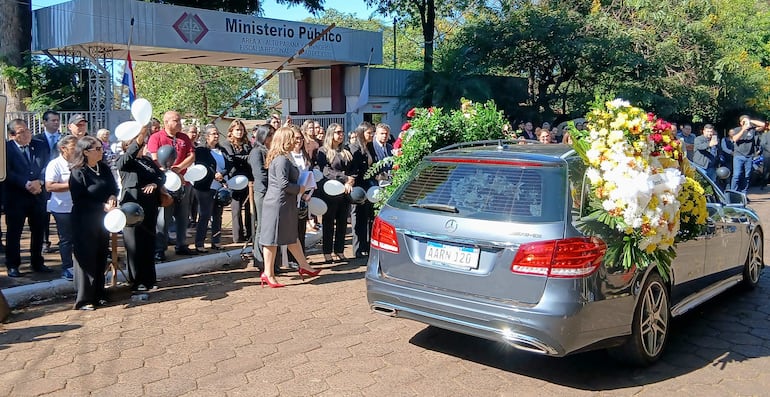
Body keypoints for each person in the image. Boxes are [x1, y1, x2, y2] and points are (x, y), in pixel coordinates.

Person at [259, 126, 321, 288]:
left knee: (291, 236)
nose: (296, 141)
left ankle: (304, 266)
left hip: (284, 203)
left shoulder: (283, 158)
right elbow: (283, 184)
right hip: (278, 204)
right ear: (285, 140)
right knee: (271, 240)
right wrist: (300, 188)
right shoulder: (281, 160)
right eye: (292, 138)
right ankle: (268, 273)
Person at [69, 135, 119, 310]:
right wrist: (102, 205)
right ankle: (84, 299)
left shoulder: (103, 168)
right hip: (84, 220)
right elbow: (80, 199)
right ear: (85, 152)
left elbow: (113, 188)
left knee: (100, 256)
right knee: (86, 258)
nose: (101, 151)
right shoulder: (78, 172)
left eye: (101, 148)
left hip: (103, 221)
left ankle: (99, 293)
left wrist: (113, 197)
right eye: (97, 149)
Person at [115, 124, 164, 291]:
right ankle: (137, 281)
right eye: (140, 145)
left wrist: (155, 184)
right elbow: (125, 160)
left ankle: (150, 279)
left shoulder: (147, 161)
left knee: (148, 242)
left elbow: (161, 176)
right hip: (132, 207)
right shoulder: (125, 161)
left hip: (150, 206)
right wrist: (139, 137)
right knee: (135, 244)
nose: (144, 148)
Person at [4, 119, 53, 277]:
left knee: (38, 230)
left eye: (27, 130)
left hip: (38, 195)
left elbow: (47, 165)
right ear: (12, 135)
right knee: (14, 232)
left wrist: (40, 181)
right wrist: (25, 183)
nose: (26, 134)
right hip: (16, 197)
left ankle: (37, 262)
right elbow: (7, 172)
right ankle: (13, 264)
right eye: (21, 132)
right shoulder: (5, 149)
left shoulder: (39, 145)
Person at [147, 110, 196, 259]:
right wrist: (169, 173)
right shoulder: (156, 137)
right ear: (166, 122)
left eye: (180, 120)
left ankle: (181, 245)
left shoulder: (183, 138)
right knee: (164, 217)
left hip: (183, 181)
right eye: (176, 120)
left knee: (183, 215)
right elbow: (154, 159)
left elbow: (192, 155)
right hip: (165, 184)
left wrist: (178, 169)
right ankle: (159, 248)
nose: (180, 123)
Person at [317, 123, 354, 263]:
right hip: (330, 192)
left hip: (345, 191)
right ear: (331, 134)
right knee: (328, 222)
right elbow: (326, 171)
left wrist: (350, 181)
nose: (341, 134)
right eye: (338, 132)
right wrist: (344, 178)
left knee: (343, 222)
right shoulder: (323, 151)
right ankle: (327, 252)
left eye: (342, 132)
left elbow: (351, 170)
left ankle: (339, 251)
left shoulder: (345, 151)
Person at [44, 135, 79, 281]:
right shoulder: (55, 164)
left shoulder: (79, 162)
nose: (76, 150)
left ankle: (79, 265)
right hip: (62, 208)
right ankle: (67, 267)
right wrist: (72, 185)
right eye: (73, 148)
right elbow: (49, 186)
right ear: (63, 149)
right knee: (66, 238)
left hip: (78, 206)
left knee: (79, 237)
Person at [193, 125, 232, 253]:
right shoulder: (201, 150)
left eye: (217, 134)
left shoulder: (222, 150)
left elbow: (229, 164)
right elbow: (202, 165)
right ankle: (200, 243)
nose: (216, 136)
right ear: (206, 136)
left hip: (219, 186)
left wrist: (222, 175)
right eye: (213, 134)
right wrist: (214, 174)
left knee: (217, 215)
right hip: (205, 187)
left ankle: (216, 241)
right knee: (205, 215)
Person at [33, 109, 63, 254]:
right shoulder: (37, 139)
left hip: (60, 180)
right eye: (53, 120)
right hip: (42, 181)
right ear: (45, 122)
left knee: (62, 211)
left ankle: (63, 239)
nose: (56, 123)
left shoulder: (63, 139)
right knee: (44, 213)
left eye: (57, 120)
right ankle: (45, 242)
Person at [221, 119, 253, 243]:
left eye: (241, 130)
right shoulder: (226, 144)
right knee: (236, 209)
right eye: (237, 130)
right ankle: (237, 236)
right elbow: (232, 159)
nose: (239, 132)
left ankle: (250, 234)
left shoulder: (247, 144)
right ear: (231, 131)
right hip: (234, 180)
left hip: (248, 180)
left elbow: (251, 158)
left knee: (249, 208)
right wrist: (247, 157)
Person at [247, 124, 274, 267]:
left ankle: (271, 263)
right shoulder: (257, 152)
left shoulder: (271, 151)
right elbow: (260, 175)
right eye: (270, 135)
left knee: (270, 227)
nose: (272, 138)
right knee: (263, 227)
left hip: (272, 192)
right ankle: (260, 261)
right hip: (263, 192)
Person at [350, 122, 375, 259]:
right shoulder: (354, 148)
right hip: (357, 186)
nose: (371, 135)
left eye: (372, 132)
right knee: (357, 216)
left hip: (369, 185)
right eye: (369, 133)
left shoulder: (370, 146)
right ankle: (357, 248)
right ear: (361, 133)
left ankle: (366, 246)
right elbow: (354, 169)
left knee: (367, 215)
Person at [730, 115, 767, 194]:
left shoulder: (752, 130)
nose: (746, 123)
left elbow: (763, 125)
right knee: (736, 175)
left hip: (749, 156)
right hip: (738, 156)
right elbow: (734, 139)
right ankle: (733, 193)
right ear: (741, 123)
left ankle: (744, 193)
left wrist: (751, 121)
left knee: (747, 176)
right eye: (744, 121)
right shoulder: (737, 129)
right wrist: (743, 129)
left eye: (747, 121)